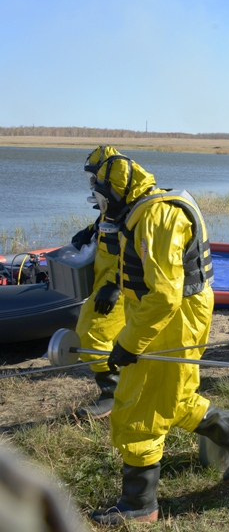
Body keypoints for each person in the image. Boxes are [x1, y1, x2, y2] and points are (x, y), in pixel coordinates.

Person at [88, 155, 229, 524]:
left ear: (117, 189)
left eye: (100, 191)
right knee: (175, 395)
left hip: (174, 317)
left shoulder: (157, 216)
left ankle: (139, 505)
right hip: (166, 315)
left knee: (139, 406)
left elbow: (165, 294)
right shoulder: (142, 210)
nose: (97, 199)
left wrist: (129, 343)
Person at [69, 145, 127, 418]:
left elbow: (142, 253)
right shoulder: (112, 205)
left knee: (92, 335)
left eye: (95, 178)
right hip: (106, 281)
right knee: (111, 338)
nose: (92, 184)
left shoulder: (132, 208)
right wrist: (89, 231)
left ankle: (113, 395)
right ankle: (121, 391)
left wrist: (117, 284)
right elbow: (106, 225)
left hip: (121, 286)